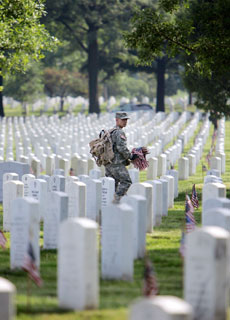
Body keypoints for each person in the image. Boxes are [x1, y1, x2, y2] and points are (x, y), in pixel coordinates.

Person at [105, 112, 138, 204]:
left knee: (113, 185)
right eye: (123, 120)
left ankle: (112, 205)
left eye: (126, 120)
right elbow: (121, 148)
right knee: (126, 181)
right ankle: (116, 200)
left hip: (108, 163)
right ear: (117, 120)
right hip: (117, 163)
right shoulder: (119, 132)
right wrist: (131, 156)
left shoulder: (110, 130)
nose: (125, 122)